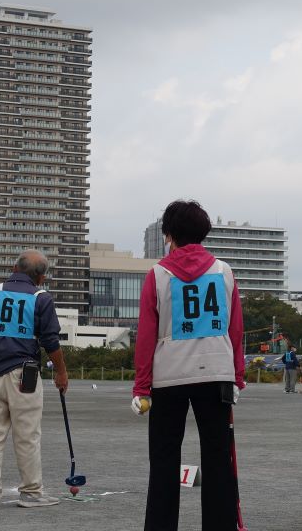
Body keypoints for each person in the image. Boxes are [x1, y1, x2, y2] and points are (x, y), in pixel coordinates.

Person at [132, 200, 246, 531]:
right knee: (218, 461)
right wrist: (237, 377)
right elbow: (235, 329)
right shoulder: (224, 272)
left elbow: (146, 337)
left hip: (169, 377)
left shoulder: (157, 275)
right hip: (217, 372)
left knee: (164, 461)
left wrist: (141, 387)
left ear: (169, 234)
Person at [0, 249, 69, 510]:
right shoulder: (41, 297)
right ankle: (31, 492)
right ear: (41, 277)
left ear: (14, 268)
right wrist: (61, 371)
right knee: (27, 437)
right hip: (25, 375)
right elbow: (50, 341)